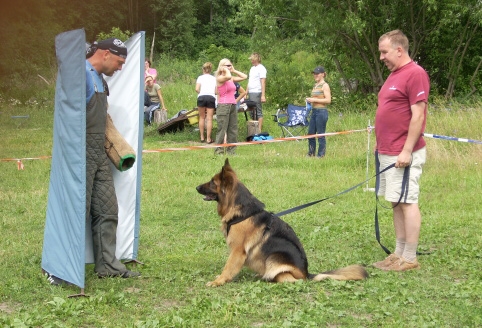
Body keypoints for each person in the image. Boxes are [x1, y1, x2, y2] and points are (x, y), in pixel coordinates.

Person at [46, 38, 140, 285]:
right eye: (119, 62)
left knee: (107, 209)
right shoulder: (80, 76)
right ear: (106, 54)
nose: (120, 68)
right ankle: (59, 269)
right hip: (79, 154)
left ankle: (107, 264)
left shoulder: (100, 80)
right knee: (75, 210)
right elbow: (67, 119)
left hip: (98, 153)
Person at [372, 30, 430, 272]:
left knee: (407, 201)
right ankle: (397, 253)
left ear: (399, 49)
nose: (382, 57)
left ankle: (409, 257)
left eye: (384, 52)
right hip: (387, 151)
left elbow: (418, 115)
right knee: (396, 201)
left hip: (402, 152)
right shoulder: (394, 75)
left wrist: (406, 150)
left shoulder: (415, 74)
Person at [214, 58, 247, 155]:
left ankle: (231, 151)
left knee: (233, 128)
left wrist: (234, 70)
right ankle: (219, 151)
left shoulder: (231, 77)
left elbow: (244, 76)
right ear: (222, 67)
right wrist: (225, 70)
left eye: (230, 65)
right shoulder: (220, 78)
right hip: (223, 105)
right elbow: (228, 76)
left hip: (232, 104)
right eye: (227, 65)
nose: (230, 67)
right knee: (222, 129)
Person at [306, 66, 331, 158]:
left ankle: (321, 155)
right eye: (314, 73)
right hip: (314, 111)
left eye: (317, 73)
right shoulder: (315, 85)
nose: (315, 75)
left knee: (321, 134)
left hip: (321, 112)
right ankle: (311, 152)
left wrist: (313, 100)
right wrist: (310, 101)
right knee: (311, 133)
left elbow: (328, 100)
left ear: (323, 74)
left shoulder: (325, 85)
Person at [195, 62, 217, 143]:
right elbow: (216, 91)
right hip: (211, 97)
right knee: (209, 118)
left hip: (201, 97)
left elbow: (197, 89)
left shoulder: (200, 77)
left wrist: (201, 92)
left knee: (202, 117)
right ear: (210, 70)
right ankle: (208, 138)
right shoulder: (214, 78)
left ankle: (202, 137)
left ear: (203, 69)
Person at [247, 53, 267, 131]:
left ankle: (258, 130)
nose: (251, 61)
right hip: (251, 91)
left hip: (257, 91)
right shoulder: (252, 68)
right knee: (251, 110)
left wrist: (263, 95)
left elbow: (263, 82)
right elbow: (250, 81)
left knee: (257, 110)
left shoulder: (261, 68)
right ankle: (254, 127)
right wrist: (246, 92)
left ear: (256, 59)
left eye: (252, 59)